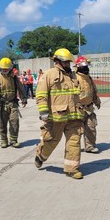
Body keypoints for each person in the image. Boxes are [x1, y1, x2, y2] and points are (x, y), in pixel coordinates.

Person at [34, 48, 84, 179]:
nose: (68, 65)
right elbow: (41, 94)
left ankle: (71, 169)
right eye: (66, 62)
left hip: (73, 116)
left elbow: (76, 94)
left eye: (69, 62)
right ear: (58, 61)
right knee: (51, 141)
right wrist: (43, 111)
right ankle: (41, 155)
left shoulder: (73, 75)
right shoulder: (49, 74)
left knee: (74, 142)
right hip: (56, 117)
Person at [0, 57, 28, 148]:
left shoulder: (14, 78)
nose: (4, 70)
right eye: (3, 69)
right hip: (1, 104)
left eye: (6, 69)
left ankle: (13, 140)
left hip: (13, 103)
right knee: (1, 123)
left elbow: (21, 88)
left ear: (10, 68)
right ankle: (3, 140)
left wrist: (24, 99)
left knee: (14, 122)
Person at [75, 56, 102, 153]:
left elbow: (93, 90)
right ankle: (74, 147)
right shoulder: (75, 78)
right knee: (76, 130)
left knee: (91, 128)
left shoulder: (89, 78)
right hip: (78, 109)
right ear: (78, 67)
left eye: (87, 67)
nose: (86, 69)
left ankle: (90, 146)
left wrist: (97, 101)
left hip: (89, 108)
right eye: (84, 67)